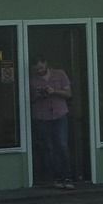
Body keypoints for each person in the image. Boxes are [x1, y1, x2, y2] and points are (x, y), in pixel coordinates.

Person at [30, 55, 76, 188]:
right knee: (48, 148)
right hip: (42, 116)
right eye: (36, 69)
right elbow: (29, 100)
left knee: (62, 145)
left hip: (60, 114)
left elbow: (69, 94)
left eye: (41, 67)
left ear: (46, 63)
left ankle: (67, 177)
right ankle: (56, 177)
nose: (39, 70)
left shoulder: (60, 74)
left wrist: (54, 91)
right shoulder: (32, 81)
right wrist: (38, 95)